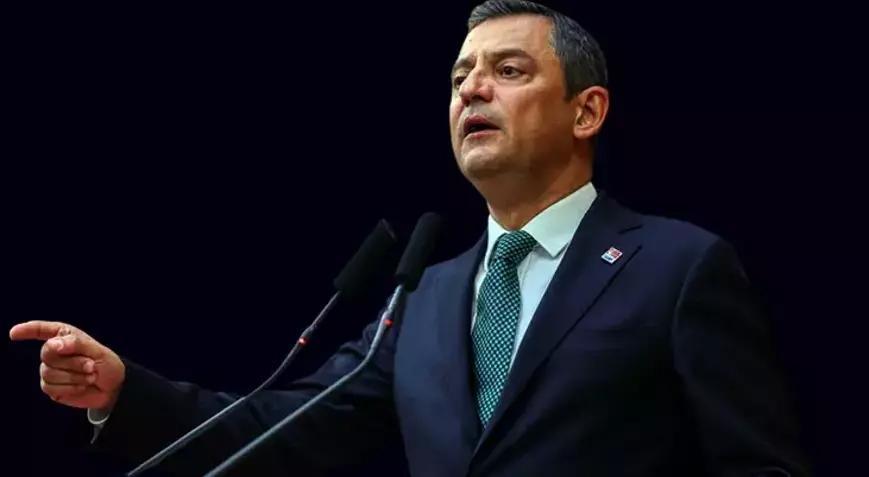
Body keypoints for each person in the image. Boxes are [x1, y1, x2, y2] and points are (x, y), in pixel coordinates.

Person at [10, 1, 810, 476]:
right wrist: (124, 390)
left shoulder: (676, 266)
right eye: (459, 77)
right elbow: (286, 427)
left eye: (507, 71)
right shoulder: (424, 296)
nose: (472, 89)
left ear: (585, 111)